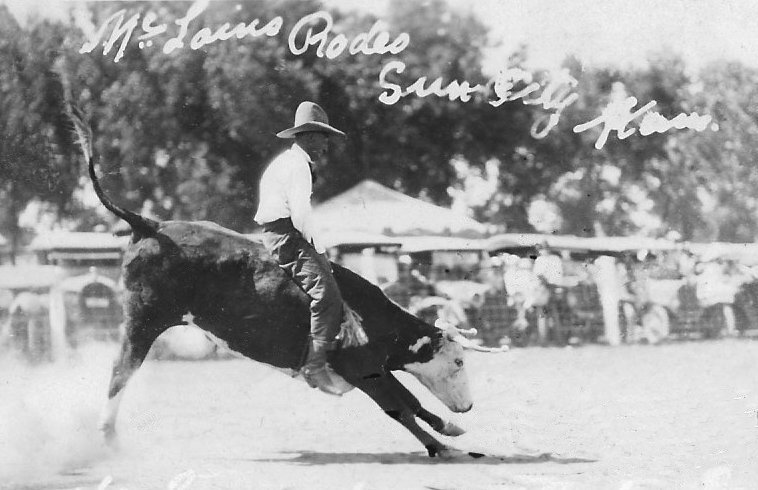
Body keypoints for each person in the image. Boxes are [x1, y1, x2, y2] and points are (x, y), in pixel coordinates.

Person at [254, 101, 346, 396]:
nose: (326, 145)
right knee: (327, 295)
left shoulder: (288, 162)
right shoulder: (298, 167)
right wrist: (320, 251)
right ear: (306, 137)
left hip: (280, 232)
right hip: (285, 235)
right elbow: (301, 215)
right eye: (322, 137)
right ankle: (315, 365)